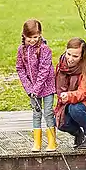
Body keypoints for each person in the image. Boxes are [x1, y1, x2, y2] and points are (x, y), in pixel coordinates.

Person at [16, 19, 57, 152]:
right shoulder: (21, 50)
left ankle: (52, 142)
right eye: (29, 37)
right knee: (36, 113)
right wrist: (29, 88)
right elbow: (20, 69)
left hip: (47, 86)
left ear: (40, 34)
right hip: (32, 89)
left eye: (35, 37)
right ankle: (37, 143)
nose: (32, 40)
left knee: (48, 112)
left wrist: (36, 88)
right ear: (24, 35)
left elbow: (44, 71)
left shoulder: (45, 49)